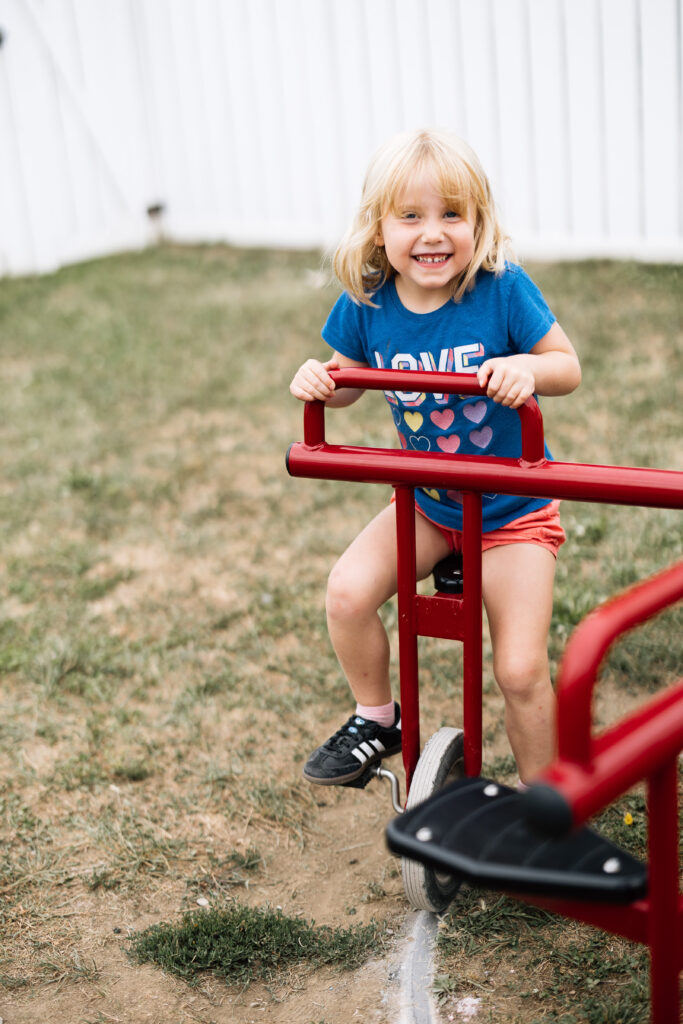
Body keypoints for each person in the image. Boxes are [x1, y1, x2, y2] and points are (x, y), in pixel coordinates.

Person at [290, 129, 581, 788]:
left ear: (479, 223)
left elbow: (567, 366)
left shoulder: (501, 291)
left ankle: (547, 811)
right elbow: (345, 382)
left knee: (518, 669)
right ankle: (377, 717)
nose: (433, 233)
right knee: (345, 593)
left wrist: (525, 369)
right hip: (429, 504)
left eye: (452, 214)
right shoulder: (367, 304)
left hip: (512, 512)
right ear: (378, 230)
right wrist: (321, 383)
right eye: (411, 216)